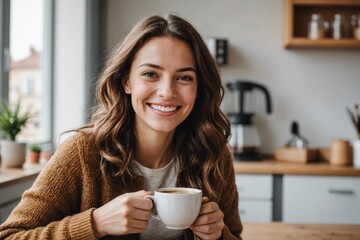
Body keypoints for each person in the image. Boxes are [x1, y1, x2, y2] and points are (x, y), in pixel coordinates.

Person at [0, 14, 242, 240]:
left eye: (184, 77)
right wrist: (95, 223)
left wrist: (219, 234)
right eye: (150, 74)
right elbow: (10, 235)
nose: (167, 92)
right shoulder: (82, 153)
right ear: (127, 81)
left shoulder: (214, 155)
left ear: (199, 88)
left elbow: (234, 235)